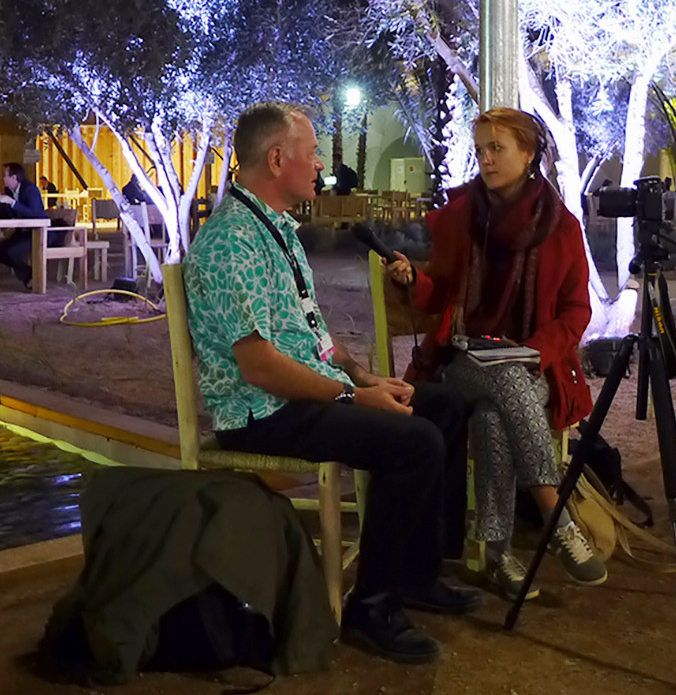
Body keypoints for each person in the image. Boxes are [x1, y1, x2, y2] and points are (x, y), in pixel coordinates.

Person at [184, 102, 478, 666]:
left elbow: (309, 338)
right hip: (261, 412)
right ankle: (372, 606)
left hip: (299, 394)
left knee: (440, 405)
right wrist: (353, 396)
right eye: (314, 152)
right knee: (411, 440)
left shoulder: (277, 231)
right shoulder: (231, 243)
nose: (321, 164)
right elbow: (262, 367)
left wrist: (365, 376)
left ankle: (416, 576)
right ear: (277, 159)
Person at [385, 107, 607, 599]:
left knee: (492, 415)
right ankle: (556, 515)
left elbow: (575, 312)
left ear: (529, 155)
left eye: (497, 148)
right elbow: (442, 295)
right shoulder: (462, 216)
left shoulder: (561, 226)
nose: (485, 158)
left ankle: (497, 554)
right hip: (460, 358)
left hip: (528, 362)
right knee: (503, 385)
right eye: (480, 148)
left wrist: (532, 351)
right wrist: (413, 281)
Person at [0, 162, 49, 285]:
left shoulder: (30, 189)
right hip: (21, 231)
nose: (2, 179)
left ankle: (30, 277)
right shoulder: (9, 190)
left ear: (14, 178)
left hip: (37, 232)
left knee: (11, 252)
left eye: (4, 175)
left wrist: (12, 203)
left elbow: (34, 213)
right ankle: (29, 274)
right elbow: (10, 213)